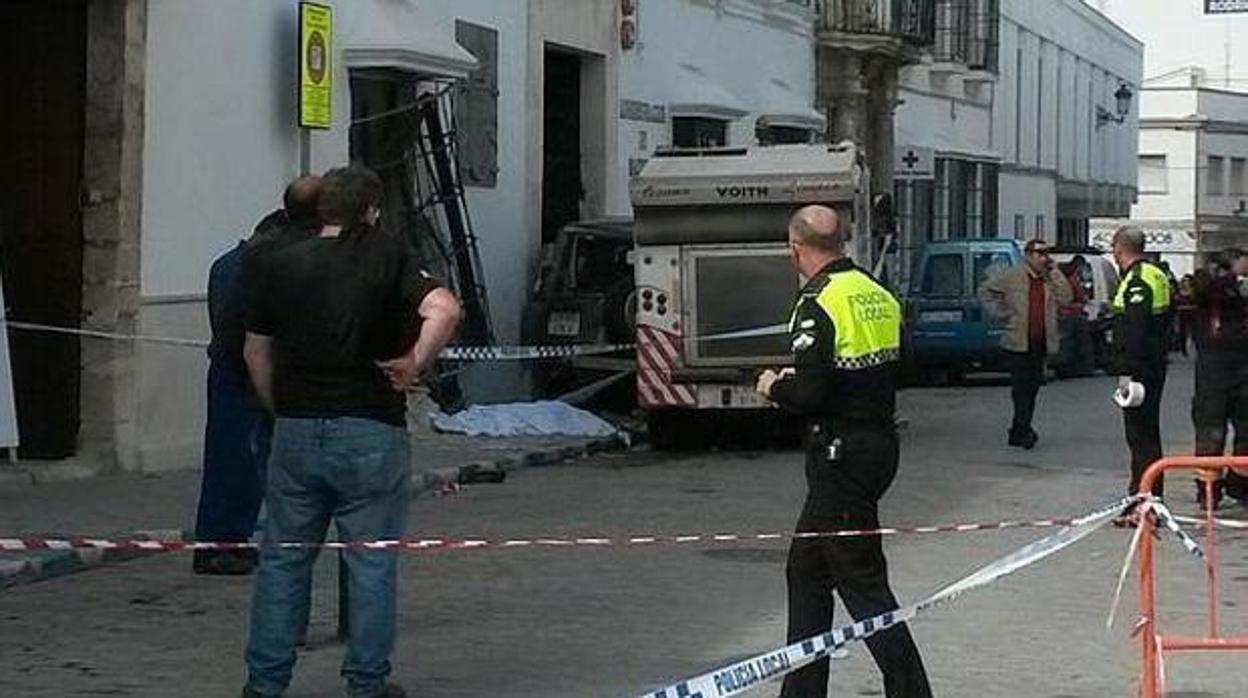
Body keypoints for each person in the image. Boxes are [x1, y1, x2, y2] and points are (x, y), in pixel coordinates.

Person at [242, 165, 461, 698]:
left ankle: (265, 683)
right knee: (370, 562)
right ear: (371, 211)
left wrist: (281, 409)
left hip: (296, 429)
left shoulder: (277, 261)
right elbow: (444, 307)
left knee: (283, 560)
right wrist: (415, 360)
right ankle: (366, 683)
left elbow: (254, 349)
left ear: (324, 210)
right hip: (369, 428)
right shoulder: (387, 255)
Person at [756, 205, 932, 698]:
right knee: (806, 572)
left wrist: (774, 386)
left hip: (841, 456)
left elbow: (809, 395)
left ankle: (912, 691)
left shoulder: (817, 302)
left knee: (863, 584)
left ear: (795, 249)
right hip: (877, 444)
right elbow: (904, 367)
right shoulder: (877, 293)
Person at [193, 176, 323, 576]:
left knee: (240, 462)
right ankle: (220, 543)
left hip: (238, 370)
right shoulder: (272, 261)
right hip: (245, 374)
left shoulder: (238, 259)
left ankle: (231, 539)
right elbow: (250, 332)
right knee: (240, 460)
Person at [978, 239, 1073, 449]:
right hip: (1018, 342)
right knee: (1021, 389)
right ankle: (1023, 430)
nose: (1044, 257)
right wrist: (1001, 313)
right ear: (1028, 255)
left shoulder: (1049, 278)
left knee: (1032, 388)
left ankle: (1017, 430)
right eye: (1039, 253)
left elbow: (1066, 298)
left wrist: (1055, 271)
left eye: (1046, 253)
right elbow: (985, 291)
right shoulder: (1012, 276)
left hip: (1040, 343)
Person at [1109, 227, 1172, 524]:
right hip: (1154, 365)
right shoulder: (1157, 274)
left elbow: (1135, 330)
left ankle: (1142, 503)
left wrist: (1126, 373)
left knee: (1140, 437)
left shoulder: (1137, 281)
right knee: (1148, 435)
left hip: (1140, 372)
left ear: (1118, 249)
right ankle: (1148, 497)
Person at [1189, 251, 1248, 508]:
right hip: (1214, 374)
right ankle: (1208, 489)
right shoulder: (1211, 291)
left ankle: (1240, 484)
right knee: (1210, 434)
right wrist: (1234, 279)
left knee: (1246, 434)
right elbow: (1205, 288)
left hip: (1244, 371)